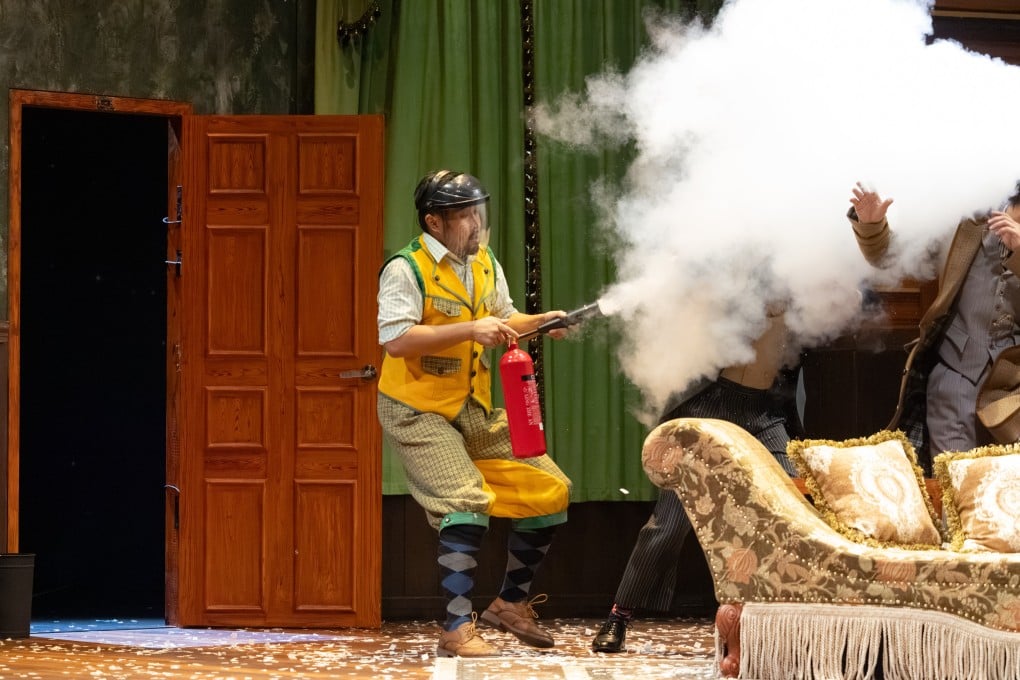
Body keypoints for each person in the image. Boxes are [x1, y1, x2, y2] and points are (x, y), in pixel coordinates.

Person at [376, 169, 573, 658]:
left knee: (550, 489)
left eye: (477, 213)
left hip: (473, 409)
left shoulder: (483, 261)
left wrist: (542, 321)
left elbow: (502, 321)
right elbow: (397, 339)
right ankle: (456, 628)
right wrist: (469, 330)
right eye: (464, 215)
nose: (476, 224)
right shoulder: (407, 268)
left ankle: (509, 603)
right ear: (434, 222)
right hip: (417, 410)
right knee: (465, 501)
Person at [592, 310, 801, 653]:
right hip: (709, 405)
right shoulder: (733, 281)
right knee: (669, 525)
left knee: (794, 508)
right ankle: (619, 615)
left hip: (765, 412)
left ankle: (782, 621)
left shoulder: (804, 284)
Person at [848, 181, 1020, 471]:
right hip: (956, 371)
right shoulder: (965, 223)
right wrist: (873, 225)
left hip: (1013, 386)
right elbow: (892, 259)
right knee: (953, 482)